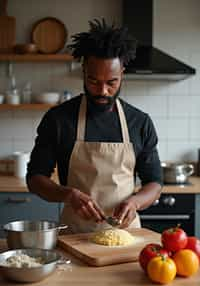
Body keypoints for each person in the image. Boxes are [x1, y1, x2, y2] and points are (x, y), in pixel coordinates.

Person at [27, 19, 163, 234]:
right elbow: (35, 179)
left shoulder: (139, 122)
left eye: (112, 82)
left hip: (125, 235)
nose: (102, 91)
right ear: (83, 71)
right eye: (93, 81)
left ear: (123, 74)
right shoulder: (59, 120)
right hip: (75, 234)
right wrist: (67, 194)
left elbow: (154, 183)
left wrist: (135, 202)